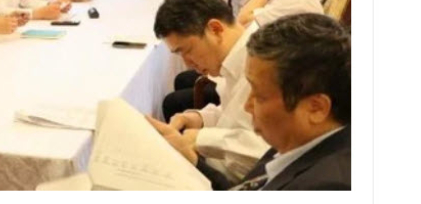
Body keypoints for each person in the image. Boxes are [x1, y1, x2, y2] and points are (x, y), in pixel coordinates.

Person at [149, 13, 351, 190]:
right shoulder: (296, 140)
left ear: (316, 108)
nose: (247, 105)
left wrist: (200, 143)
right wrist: (192, 159)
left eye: (260, 96)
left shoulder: (327, 186)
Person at [153, 0, 270, 182]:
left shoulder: (263, 65)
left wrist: (200, 139)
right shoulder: (237, 56)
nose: (187, 63)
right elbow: (232, 114)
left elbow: (269, 151)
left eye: (187, 50)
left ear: (215, 29)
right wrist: (199, 118)